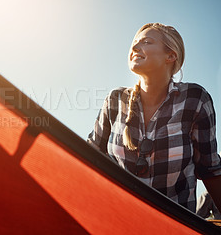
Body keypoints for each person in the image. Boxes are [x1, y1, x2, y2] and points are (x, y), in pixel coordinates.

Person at [87, 23, 221, 213]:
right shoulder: (115, 99)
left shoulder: (195, 99)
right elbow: (90, 155)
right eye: (134, 43)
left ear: (171, 56)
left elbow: (210, 170)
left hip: (174, 225)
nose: (134, 48)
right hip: (115, 218)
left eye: (146, 42)